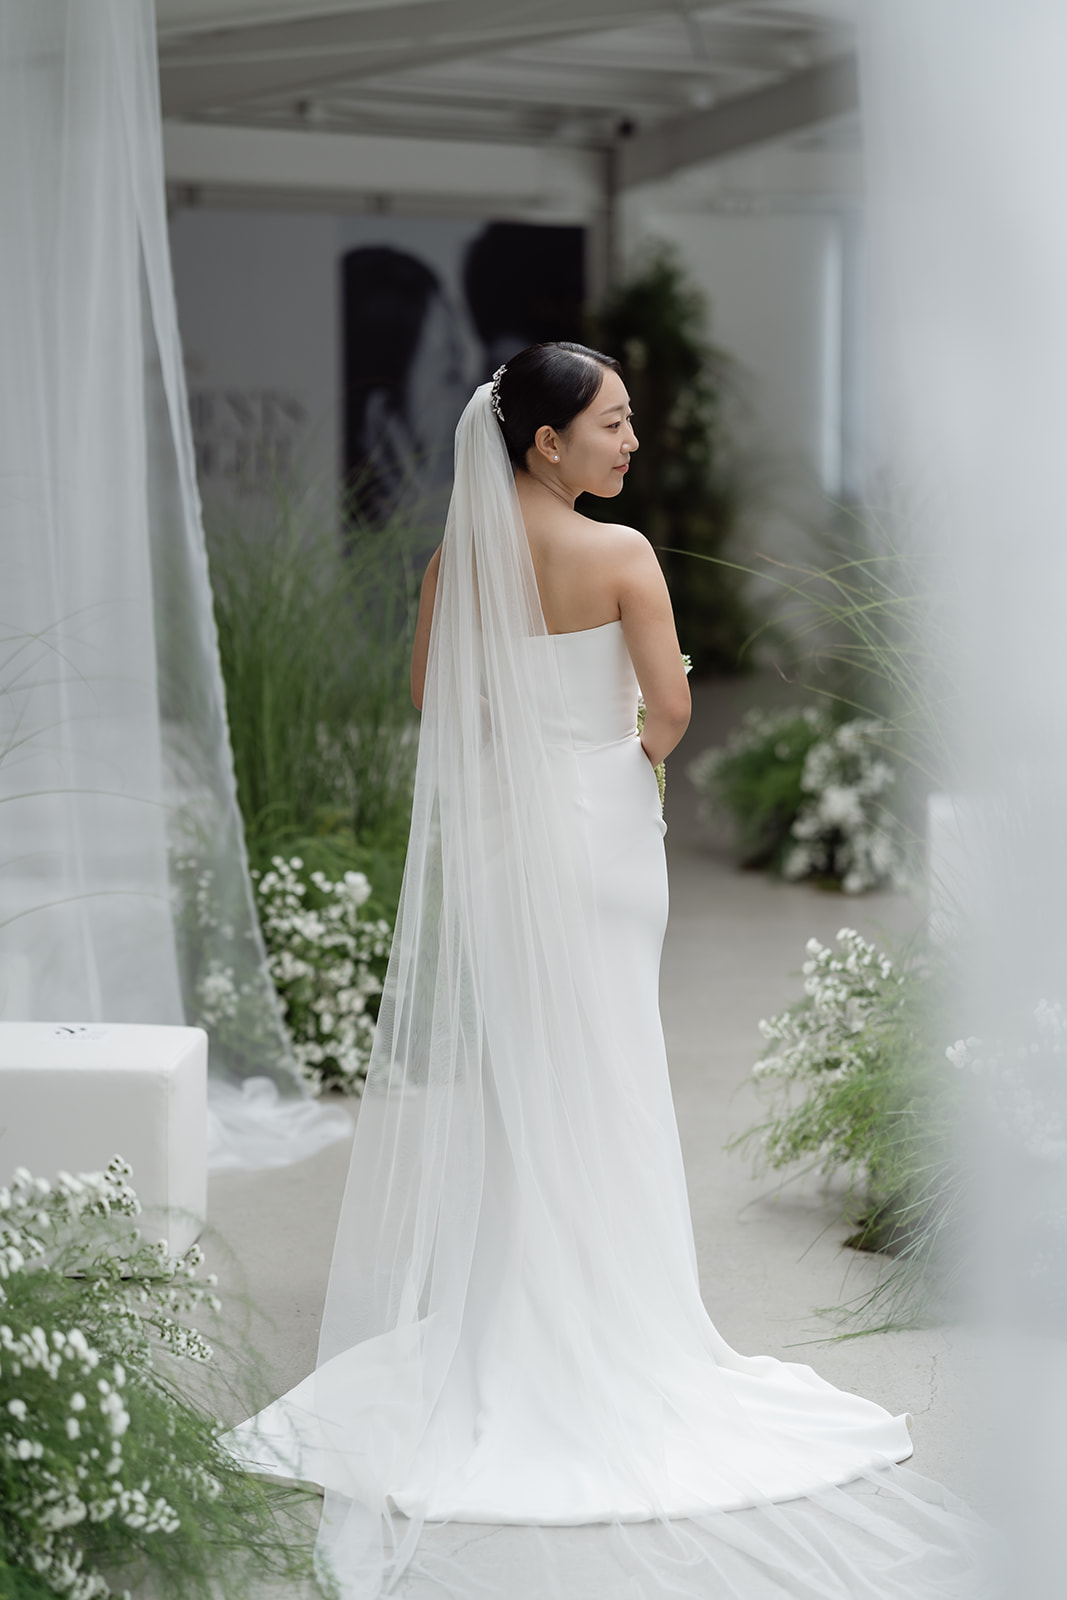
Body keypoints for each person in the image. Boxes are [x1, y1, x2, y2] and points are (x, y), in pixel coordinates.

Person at [226, 344, 987, 1598]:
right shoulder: (622, 555)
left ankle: (517, 1316)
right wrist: (615, 756)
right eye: (615, 424)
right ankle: (615, 1323)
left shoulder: (449, 562)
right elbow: (671, 708)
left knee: (527, 1072)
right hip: (597, 831)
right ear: (545, 443)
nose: (632, 443)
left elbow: (431, 697)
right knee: (610, 1068)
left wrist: (520, 752)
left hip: (499, 843)